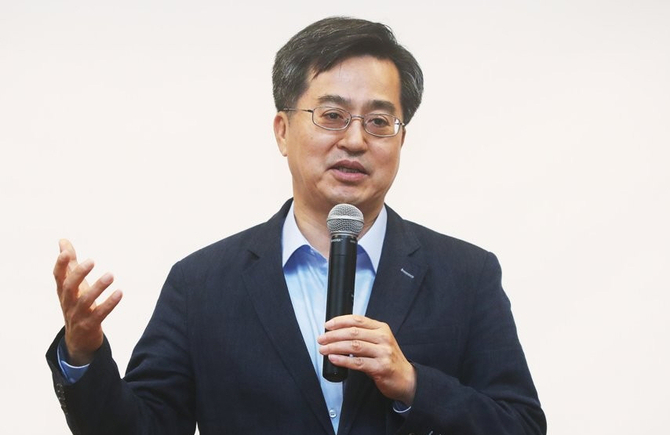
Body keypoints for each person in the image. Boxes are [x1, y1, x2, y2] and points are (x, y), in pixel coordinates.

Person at [47, 16, 546, 435]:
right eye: (332, 115)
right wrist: (83, 353)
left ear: (401, 140)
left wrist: (413, 384)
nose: (355, 140)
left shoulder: (466, 275)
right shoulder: (201, 283)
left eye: (378, 121)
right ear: (283, 131)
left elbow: (521, 425)